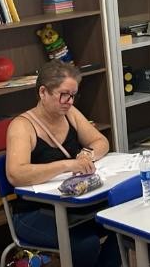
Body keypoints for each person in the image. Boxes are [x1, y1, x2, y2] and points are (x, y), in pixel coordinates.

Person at [6, 62, 119, 267]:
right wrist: (67, 165)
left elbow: (101, 142)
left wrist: (87, 155)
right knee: (85, 245)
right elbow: (16, 174)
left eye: (73, 95)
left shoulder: (70, 113)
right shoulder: (22, 126)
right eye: (64, 95)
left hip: (74, 206)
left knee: (121, 225)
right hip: (34, 212)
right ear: (43, 92)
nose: (69, 101)